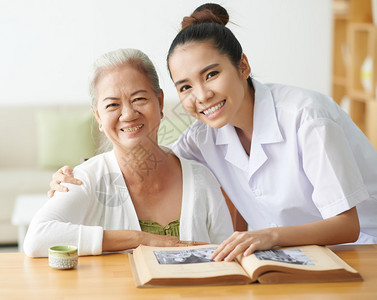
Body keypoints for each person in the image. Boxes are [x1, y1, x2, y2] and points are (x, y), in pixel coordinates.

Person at [48, 3, 377, 261]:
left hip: (363, 251)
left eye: (211, 74)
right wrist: (79, 172)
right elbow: (149, 159)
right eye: (186, 86)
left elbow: (347, 226)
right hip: (291, 258)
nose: (201, 96)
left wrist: (266, 236)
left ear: (243, 66)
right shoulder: (203, 138)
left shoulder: (307, 116)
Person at [23, 48, 234, 257]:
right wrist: (140, 239)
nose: (128, 114)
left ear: (160, 102)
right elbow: (36, 238)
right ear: (98, 116)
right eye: (113, 104)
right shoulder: (85, 179)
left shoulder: (201, 178)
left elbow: (227, 259)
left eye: (139, 99)